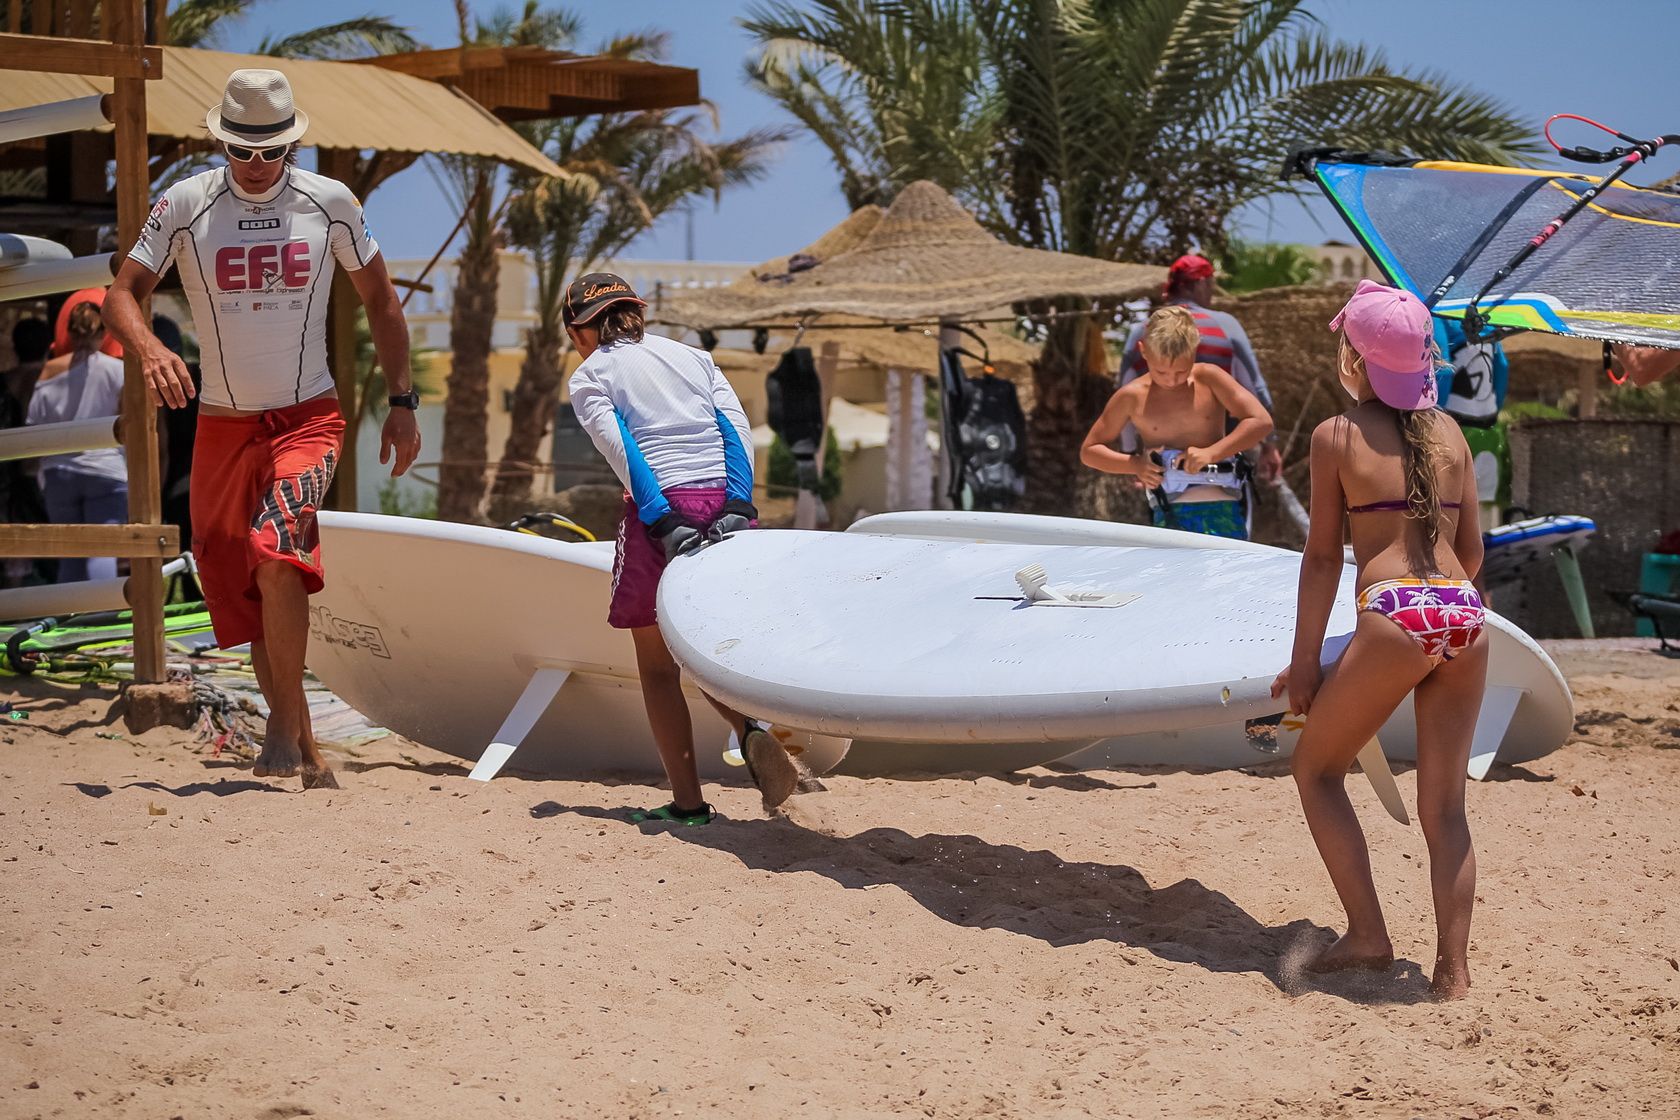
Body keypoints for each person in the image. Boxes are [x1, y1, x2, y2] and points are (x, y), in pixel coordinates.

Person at [104, 68, 421, 790]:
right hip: (221, 426)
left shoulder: (331, 203)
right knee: (245, 585)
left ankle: (280, 726)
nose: (255, 164)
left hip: (307, 417)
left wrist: (402, 402)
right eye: (241, 150)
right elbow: (121, 293)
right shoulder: (185, 203)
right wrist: (150, 349)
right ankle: (307, 751)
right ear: (221, 142)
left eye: (271, 151)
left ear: (292, 145)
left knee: (277, 550)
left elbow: (381, 301)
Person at [1272, 279, 1485, 1001]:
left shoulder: (1336, 435)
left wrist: (1307, 662)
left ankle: (1367, 934)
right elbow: (1472, 552)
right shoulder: (1452, 433)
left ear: (1355, 362)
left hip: (1395, 613)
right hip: (1462, 612)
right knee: (1445, 808)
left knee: (1316, 770)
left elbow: (1322, 558)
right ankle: (1452, 971)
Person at [566, 272, 802, 824]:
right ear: (638, 314)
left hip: (661, 508)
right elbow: (734, 429)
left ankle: (689, 805)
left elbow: (622, 448)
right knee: (709, 644)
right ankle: (750, 730)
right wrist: (738, 504)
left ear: (577, 331)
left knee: (657, 668)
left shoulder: (590, 374)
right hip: (726, 502)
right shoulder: (695, 357)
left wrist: (662, 519)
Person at [1080, 305, 1272, 539]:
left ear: (1194, 350)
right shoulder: (1131, 396)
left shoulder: (1209, 378)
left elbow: (1261, 421)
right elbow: (1090, 451)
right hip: (1169, 512)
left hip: (1223, 507)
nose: (1171, 380)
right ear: (1143, 351)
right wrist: (1135, 465)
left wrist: (1212, 452)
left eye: (1181, 371)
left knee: (1229, 563)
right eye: (1161, 372)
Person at [1117, 254, 1284, 485]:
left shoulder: (1143, 332)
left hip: (1161, 467)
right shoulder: (1225, 325)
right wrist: (1269, 444)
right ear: (1201, 284)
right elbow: (1255, 388)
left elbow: (1124, 395)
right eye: (1211, 285)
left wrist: (1130, 456)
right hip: (1219, 464)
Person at [26, 303, 129, 582]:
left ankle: (69, 606)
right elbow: (128, 426)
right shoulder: (118, 371)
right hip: (106, 470)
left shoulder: (49, 371)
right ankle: (102, 606)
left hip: (58, 472)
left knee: (69, 555)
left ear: (69, 332)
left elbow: (34, 422)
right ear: (104, 332)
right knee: (102, 553)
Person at [2, 318, 54, 587]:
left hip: (7, 472)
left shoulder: (5, 381)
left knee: (13, 545)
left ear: (15, 346)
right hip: (40, 472)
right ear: (48, 346)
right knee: (54, 544)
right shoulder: (51, 379)